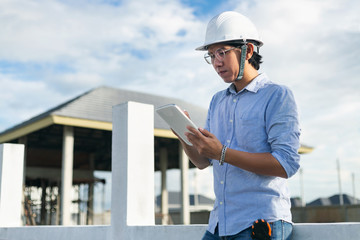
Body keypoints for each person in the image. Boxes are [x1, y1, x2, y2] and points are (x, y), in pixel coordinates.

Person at [177, 11, 301, 240]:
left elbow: (286, 164)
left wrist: (222, 152)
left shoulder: (277, 95)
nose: (216, 62)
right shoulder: (217, 101)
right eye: (212, 55)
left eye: (222, 52)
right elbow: (204, 162)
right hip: (219, 224)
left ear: (248, 50)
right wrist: (184, 137)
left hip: (261, 224)